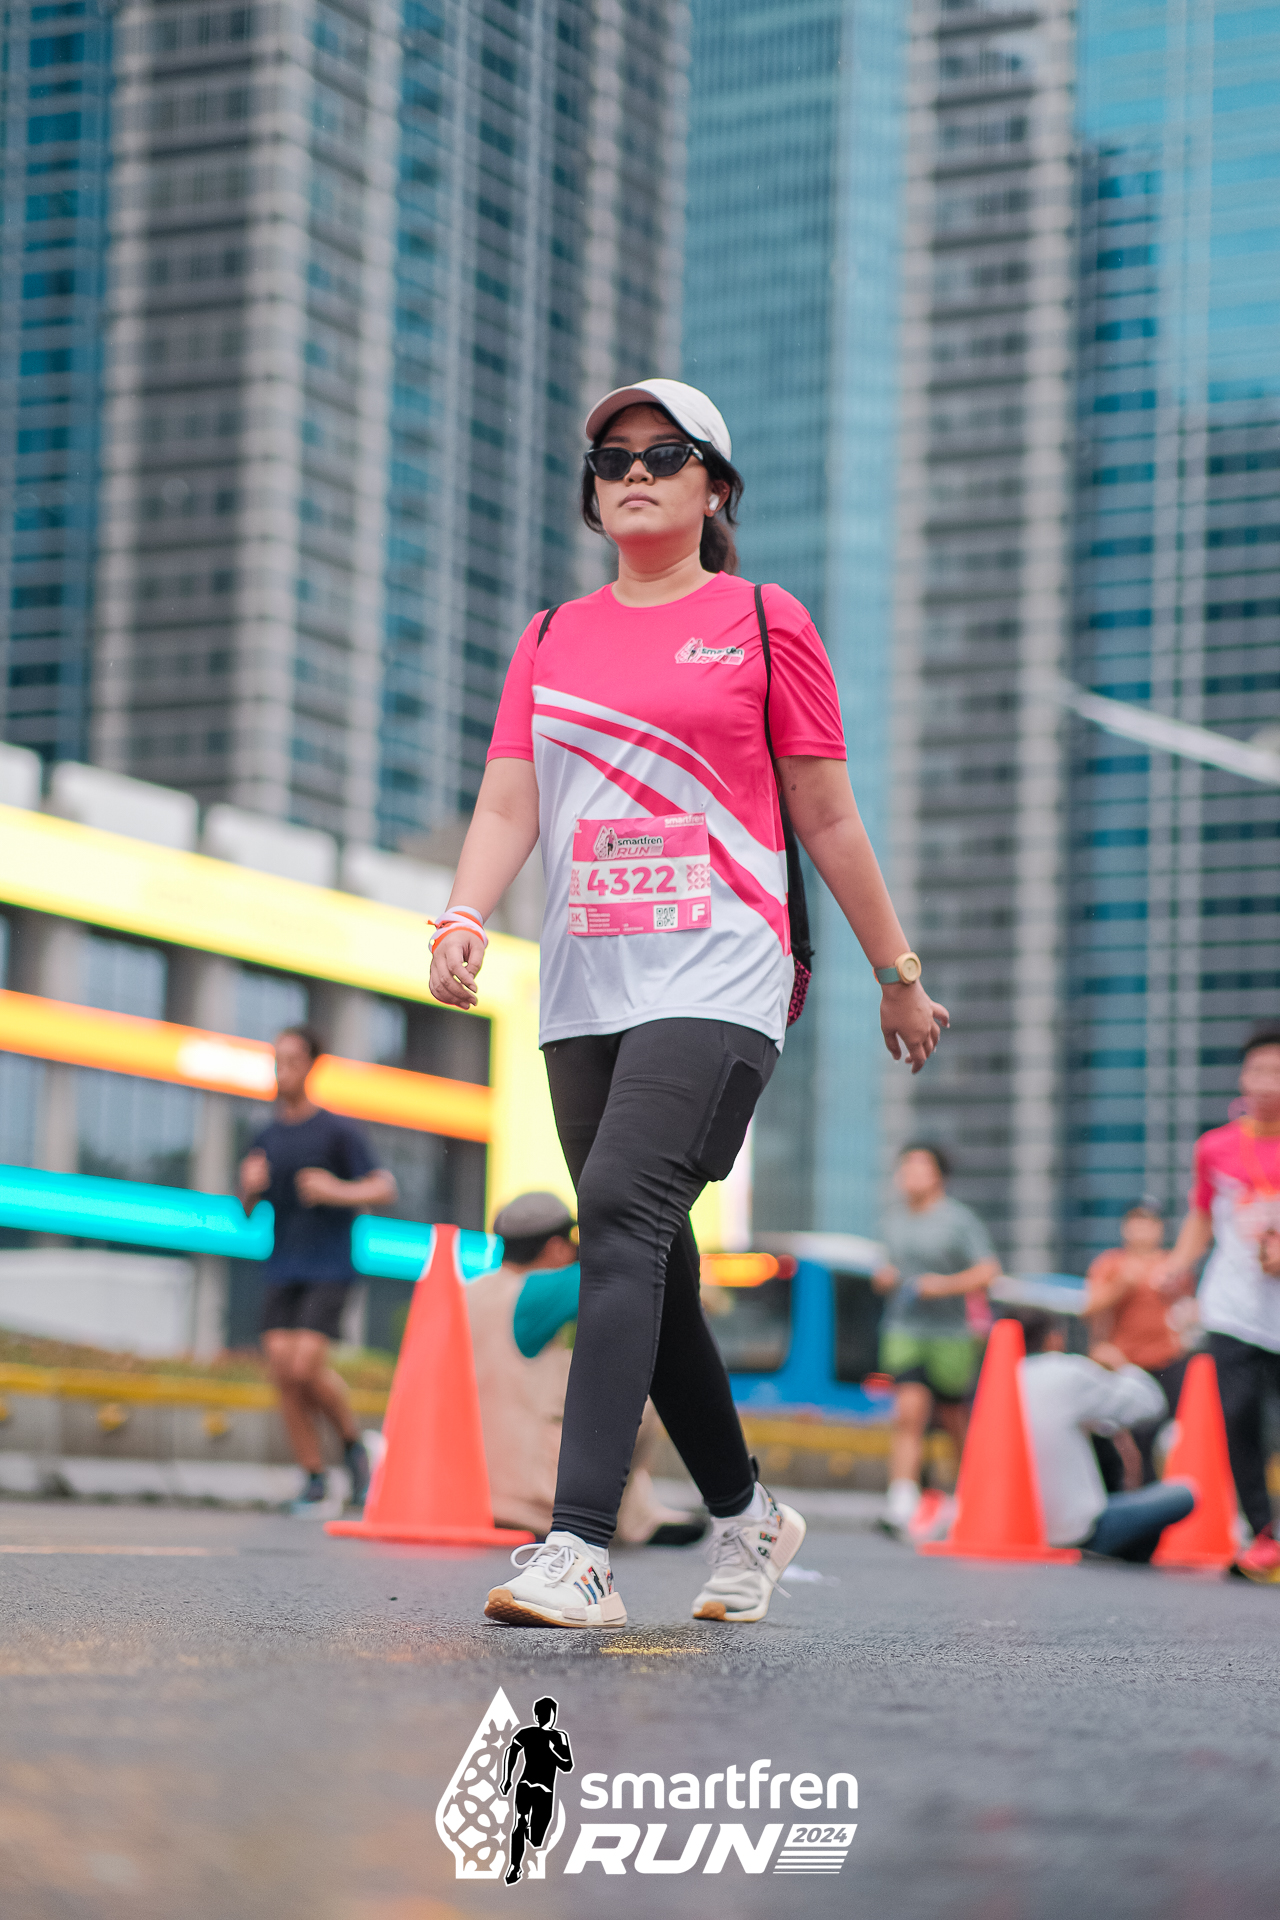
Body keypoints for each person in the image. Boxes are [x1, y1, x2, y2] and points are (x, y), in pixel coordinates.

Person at [429, 376, 948, 1629]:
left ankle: (578, 1550)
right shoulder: (550, 638)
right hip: (585, 980)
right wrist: (462, 914)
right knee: (647, 1254)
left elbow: (824, 812)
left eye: (663, 454)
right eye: (611, 459)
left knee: (615, 1209)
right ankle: (747, 1515)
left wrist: (897, 974)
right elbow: (509, 799)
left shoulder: (762, 621)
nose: (633, 473)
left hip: (723, 965)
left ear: (714, 488)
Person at [466, 1190, 703, 1543]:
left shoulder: (467, 1292)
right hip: (531, 1503)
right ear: (556, 1248)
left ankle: (642, 1513)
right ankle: (630, 1519)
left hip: (467, 1490)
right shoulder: (544, 1290)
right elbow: (624, 1270)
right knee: (637, 1390)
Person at [237, 1025, 397, 1512]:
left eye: (291, 1060)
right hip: (282, 1263)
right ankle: (313, 1477)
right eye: (277, 1060)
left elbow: (384, 1188)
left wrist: (335, 1190)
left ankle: (353, 1447)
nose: (281, 1070)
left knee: (305, 1366)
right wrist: (247, 1187)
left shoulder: (337, 1131)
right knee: (283, 1373)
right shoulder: (265, 1135)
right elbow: (247, 1209)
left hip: (329, 1263)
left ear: (310, 1066)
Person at [1156, 1026, 1280, 1583]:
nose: (1267, 1082)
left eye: (1277, 1072)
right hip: (1233, 1306)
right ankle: (1265, 1533)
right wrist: (1178, 1262)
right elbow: (1203, 1215)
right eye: (1258, 1071)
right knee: (1239, 1414)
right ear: (1243, 1077)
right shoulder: (1215, 1147)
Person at [872, 1144, 1000, 1537]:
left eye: (919, 1168)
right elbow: (887, 1267)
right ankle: (901, 1500)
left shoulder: (958, 1221)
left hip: (950, 1334)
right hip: (904, 1329)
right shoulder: (892, 1220)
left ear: (938, 1176)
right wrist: (885, 1278)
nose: (910, 1175)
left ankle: (969, 1494)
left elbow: (988, 1271)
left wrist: (942, 1286)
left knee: (953, 1418)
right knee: (908, 1413)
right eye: (905, 1168)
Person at [1016, 1311, 1196, 1560]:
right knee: (1185, 1493)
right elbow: (1150, 1404)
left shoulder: (996, 1381)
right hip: (1074, 1532)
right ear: (1053, 1339)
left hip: (1016, 1530)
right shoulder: (1066, 1372)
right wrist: (1122, 1366)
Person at [1083, 1205, 1187, 1484]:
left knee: (1169, 1436)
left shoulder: (1172, 1265)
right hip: (1125, 1364)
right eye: (1136, 1223)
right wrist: (1121, 1284)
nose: (1142, 1231)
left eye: (1148, 1223)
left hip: (1167, 1361)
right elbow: (1089, 1308)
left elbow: (1187, 1311)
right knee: (1128, 1440)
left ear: (1160, 1229)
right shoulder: (1110, 1264)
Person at [500, 1695, 573, 1886]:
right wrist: (507, 1778)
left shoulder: (559, 1737)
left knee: (536, 1839)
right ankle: (515, 1866)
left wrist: (552, 1751)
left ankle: (527, 1834)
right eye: (541, 1713)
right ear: (536, 1715)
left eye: (548, 1713)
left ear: (553, 1715)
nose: (545, 1717)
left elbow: (567, 1766)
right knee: (520, 1821)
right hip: (527, 1785)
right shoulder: (527, 1733)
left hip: (544, 1791)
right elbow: (511, 1751)